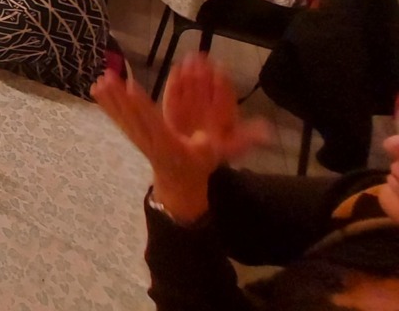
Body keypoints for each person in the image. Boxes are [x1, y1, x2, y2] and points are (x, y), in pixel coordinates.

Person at [93, 53, 399, 311]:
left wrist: (181, 190)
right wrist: (200, 166)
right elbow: (253, 219)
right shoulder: (376, 203)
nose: (392, 146)